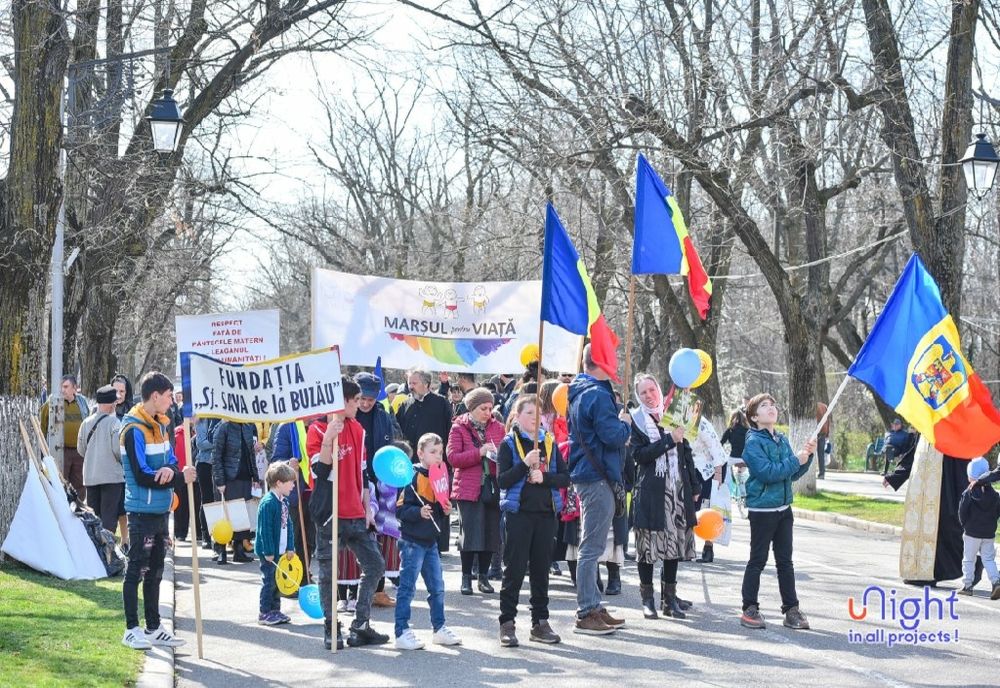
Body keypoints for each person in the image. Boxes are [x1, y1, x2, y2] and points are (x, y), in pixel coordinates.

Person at [310, 377, 389, 650]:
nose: (358, 405)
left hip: (356, 512)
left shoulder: (358, 428)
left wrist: (367, 508)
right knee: (328, 574)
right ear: (340, 401)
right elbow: (319, 473)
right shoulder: (318, 429)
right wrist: (328, 440)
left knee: (376, 565)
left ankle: (361, 625)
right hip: (330, 514)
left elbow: (363, 472)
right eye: (354, 400)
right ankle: (331, 628)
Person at [120, 372, 196, 650]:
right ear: (155, 396)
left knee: (155, 570)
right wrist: (174, 476)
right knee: (136, 569)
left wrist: (175, 471)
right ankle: (131, 629)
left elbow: (172, 462)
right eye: (168, 396)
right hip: (140, 511)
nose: (171, 401)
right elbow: (140, 474)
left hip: (162, 510)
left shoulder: (164, 425)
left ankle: (153, 627)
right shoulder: (132, 430)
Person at [566, 344, 630, 636]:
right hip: (597, 475)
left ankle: (593, 605)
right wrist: (625, 426)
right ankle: (585, 611)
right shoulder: (597, 394)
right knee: (591, 547)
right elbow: (612, 435)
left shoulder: (580, 390)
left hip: (588, 473)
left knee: (591, 544)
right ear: (601, 362)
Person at [496, 395, 569, 646]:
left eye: (538, 414)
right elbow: (502, 481)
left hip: (545, 515)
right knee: (514, 570)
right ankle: (507, 622)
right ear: (517, 416)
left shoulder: (549, 442)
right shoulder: (508, 444)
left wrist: (544, 478)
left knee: (541, 570)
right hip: (519, 515)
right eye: (529, 413)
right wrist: (525, 465)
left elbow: (564, 478)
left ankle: (540, 622)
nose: (534, 419)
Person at [739, 393, 815, 630]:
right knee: (758, 560)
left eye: (773, 405)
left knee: (785, 562)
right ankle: (749, 607)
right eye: (764, 406)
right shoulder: (752, 443)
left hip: (784, 509)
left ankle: (791, 609)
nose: (771, 408)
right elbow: (768, 473)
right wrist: (796, 460)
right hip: (762, 510)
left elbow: (791, 475)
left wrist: (807, 457)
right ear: (754, 416)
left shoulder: (781, 439)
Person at [629, 374, 699, 620]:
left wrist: (694, 483)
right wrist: (669, 439)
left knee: (674, 544)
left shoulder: (673, 414)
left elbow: (685, 451)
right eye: (643, 392)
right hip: (650, 490)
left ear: (658, 389)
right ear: (638, 396)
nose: (649, 395)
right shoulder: (636, 420)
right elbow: (640, 455)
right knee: (647, 547)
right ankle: (647, 599)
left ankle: (669, 599)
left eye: (651, 390)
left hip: (677, 489)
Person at [393, 433, 462, 650]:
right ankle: (401, 631)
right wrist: (417, 511)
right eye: (432, 452)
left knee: (438, 587)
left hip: (431, 540)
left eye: (440, 452)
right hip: (412, 541)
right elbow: (400, 509)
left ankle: (439, 628)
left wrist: (445, 508)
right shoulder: (410, 477)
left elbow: (439, 505)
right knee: (407, 587)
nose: (438, 456)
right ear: (421, 453)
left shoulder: (440, 475)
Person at [447, 387, 506, 595]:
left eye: (490, 408)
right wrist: (479, 452)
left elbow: (506, 455)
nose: (487, 412)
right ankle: (466, 578)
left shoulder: (498, 428)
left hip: (492, 485)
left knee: (491, 533)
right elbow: (453, 458)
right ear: (471, 408)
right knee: (470, 534)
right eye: (483, 408)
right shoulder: (458, 428)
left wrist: (499, 457)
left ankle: (483, 576)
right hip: (468, 487)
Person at [355, 372, 405, 607]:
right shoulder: (349, 415)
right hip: (356, 482)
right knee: (359, 536)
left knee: (383, 535)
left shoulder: (383, 416)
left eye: (371, 400)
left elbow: (391, 445)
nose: (366, 403)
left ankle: (379, 589)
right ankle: (353, 589)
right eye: (363, 398)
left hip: (380, 481)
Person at [78, 385, 126, 550]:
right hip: (111, 476)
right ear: (111, 404)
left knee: (93, 516)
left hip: (91, 475)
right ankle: (108, 552)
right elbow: (118, 450)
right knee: (109, 517)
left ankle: (93, 550)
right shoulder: (114, 422)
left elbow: (81, 449)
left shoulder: (86, 422)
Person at [270, 418, 315, 581]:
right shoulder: (287, 427)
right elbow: (275, 461)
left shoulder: (320, 424)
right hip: (296, 493)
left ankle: (304, 572)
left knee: (310, 539)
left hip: (316, 492)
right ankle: (292, 577)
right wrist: (288, 464)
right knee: (295, 538)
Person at [211, 420, 260, 564]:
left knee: (242, 516)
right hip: (229, 479)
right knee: (225, 516)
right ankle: (220, 549)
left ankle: (239, 550)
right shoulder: (223, 427)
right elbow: (217, 456)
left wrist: (255, 477)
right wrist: (220, 481)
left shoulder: (247, 427)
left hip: (244, 477)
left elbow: (251, 454)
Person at [255, 462, 297, 625]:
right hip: (269, 552)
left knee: (278, 581)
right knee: (269, 581)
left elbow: (290, 525)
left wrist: (290, 547)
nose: (293, 485)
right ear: (279, 483)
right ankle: (264, 612)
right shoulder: (268, 503)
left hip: (281, 550)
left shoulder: (283, 501)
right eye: (290, 482)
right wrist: (268, 551)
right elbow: (265, 530)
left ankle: (275, 610)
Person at [40, 374, 91, 500]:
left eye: (66, 386)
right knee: (60, 482)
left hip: (79, 452)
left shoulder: (82, 403)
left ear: (74, 388)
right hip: (60, 451)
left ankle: (79, 509)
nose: (62, 390)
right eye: (61, 387)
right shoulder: (51, 403)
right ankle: (63, 510)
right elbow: (43, 425)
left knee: (79, 484)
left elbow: (87, 422)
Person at [958, 457, 1000, 598]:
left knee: (969, 559)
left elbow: (962, 512)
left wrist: (965, 525)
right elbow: (997, 512)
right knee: (988, 559)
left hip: (971, 533)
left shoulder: (968, 493)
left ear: (971, 476)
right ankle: (996, 582)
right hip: (988, 533)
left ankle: (967, 585)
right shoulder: (995, 495)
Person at [172, 422, 204, 543]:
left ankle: (199, 532)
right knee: (181, 505)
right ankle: (180, 532)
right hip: (181, 472)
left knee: (197, 503)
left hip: (196, 472)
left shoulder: (201, 430)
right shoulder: (177, 432)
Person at [194, 417, 219, 552]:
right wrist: (218, 441)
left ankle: (219, 536)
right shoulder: (202, 421)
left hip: (219, 464)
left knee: (219, 501)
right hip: (205, 464)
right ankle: (206, 535)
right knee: (207, 499)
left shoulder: (222, 419)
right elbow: (201, 443)